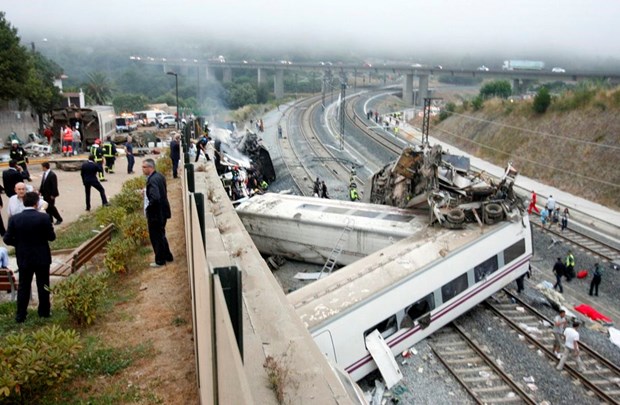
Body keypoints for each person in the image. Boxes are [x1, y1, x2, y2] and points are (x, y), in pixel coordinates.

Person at [4, 191, 56, 323]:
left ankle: (21, 314)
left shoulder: (15, 219)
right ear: (36, 202)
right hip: (42, 256)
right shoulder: (43, 218)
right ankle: (44, 312)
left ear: (24, 202)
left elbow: (7, 239)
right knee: (43, 285)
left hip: (24, 257)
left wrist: (19, 244)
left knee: (24, 286)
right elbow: (52, 237)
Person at [142, 158, 173, 267]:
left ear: (150, 167)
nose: (142, 169)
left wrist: (149, 208)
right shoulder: (159, 176)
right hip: (163, 211)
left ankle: (160, 260)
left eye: (144, 167)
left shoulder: (152, 180)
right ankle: (168, 256)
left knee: (156, 237)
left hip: (156, 214)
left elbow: (155, 197)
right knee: (161, 234)